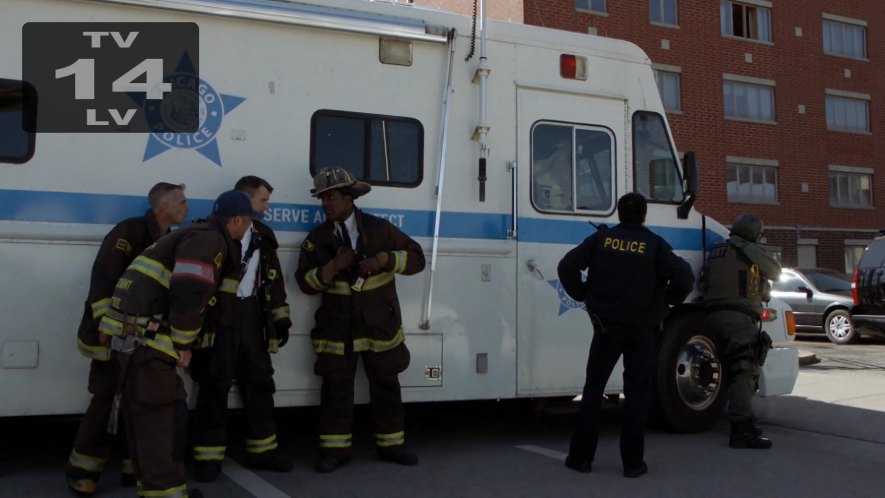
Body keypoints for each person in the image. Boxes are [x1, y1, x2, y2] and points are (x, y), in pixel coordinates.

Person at [97, 190, 256, 498]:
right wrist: (184, 342)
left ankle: (155, 489)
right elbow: (190, 291)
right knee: (162, 418)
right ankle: (167, 493)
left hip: (135, 338)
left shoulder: (197, 234)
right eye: (249, 221)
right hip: (149, 343)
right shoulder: (210, 241)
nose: (249, 228)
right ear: (238, 220)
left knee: (147, 419)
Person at [295, 166, 426, 474]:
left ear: (349, 198)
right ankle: (334, 451)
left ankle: (392, 446)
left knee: (386, 386)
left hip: (379, 327)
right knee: (336, 390)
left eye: (331, 197)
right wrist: (332, 268)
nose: (325, 203)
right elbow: (304, 283)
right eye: (322, 199)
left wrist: (384, 260)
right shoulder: (316, 240)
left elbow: (417, 259)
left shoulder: (380, 230)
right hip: (337, 329)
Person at [557, 193, 694, 478]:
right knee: (637, 394)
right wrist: (666, 303)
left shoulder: (602, 240)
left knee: (593, 391)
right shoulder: (654, 244)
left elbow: (567, 266)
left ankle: (581, 458)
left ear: (618, 214)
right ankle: (632, 464)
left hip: (606, 328)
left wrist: (583, 294)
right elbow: (684, 277)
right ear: (644, 216)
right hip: (643, 330)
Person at [66, 182, 188, 497]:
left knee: (137, 404)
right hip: (110, 338)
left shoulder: (170, 240)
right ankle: (82, 471)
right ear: (164, 206)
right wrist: (107, 329)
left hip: (140, 342)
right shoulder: (128, 233)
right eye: (182, 202)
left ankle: (133, 468)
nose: (187, 207)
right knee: (105, 401)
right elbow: (104, 281)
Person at [191, 176, 293, 482]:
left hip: (251, 316)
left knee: (259, 383)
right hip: (219, 317)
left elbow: (273, 280)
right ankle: (207, 460)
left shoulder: (263, 235)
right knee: (213, 386)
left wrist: (280, 317)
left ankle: (263, 452)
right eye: (263, 200)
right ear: (245, 202)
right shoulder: (212, 233)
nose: (267, 206)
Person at [700, 214, 781, 449]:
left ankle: (745, 419)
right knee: (745, 370)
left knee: (731, 369)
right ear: (754, 233)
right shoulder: (748, 249)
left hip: (713, 317)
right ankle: (741, 429)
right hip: (739, 318)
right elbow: (774, 271)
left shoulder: (717, 250)